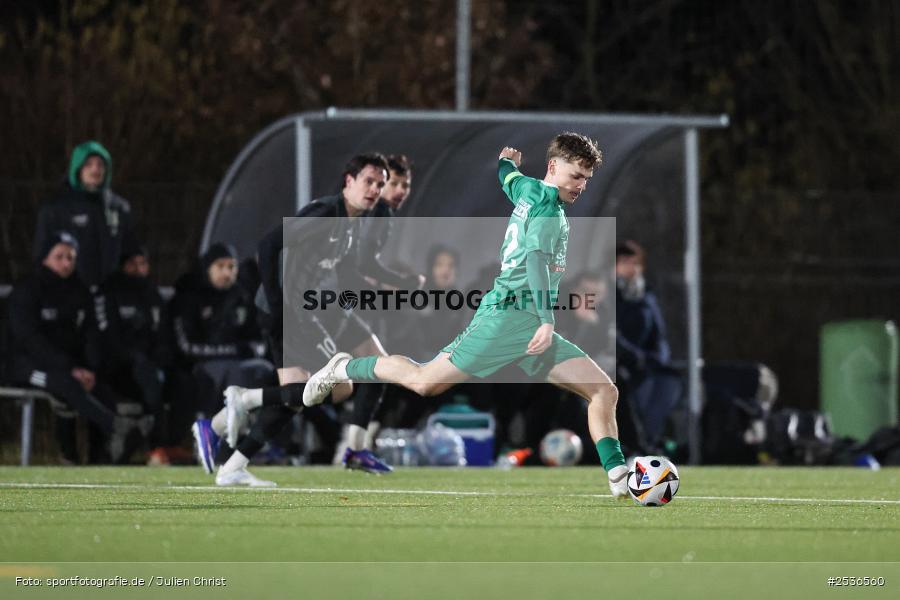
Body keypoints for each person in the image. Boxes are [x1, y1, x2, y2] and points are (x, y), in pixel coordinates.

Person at [303, 133, 630, 497]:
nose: (581, 185)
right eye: (576, 175)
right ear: (553, 167)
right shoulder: (548, 210)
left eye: (586, 178)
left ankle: (620, 479)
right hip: (506, 320)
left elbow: (508, 178)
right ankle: (343, 367)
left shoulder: (527, 189)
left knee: (603, 390)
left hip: (525, 324)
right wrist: (547, 319)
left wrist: (506, 163)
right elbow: (536, 263)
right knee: (424, 382)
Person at [202, 154, 407, 486]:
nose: (375, 189)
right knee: (338, 386)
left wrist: (386, 288)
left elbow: (346, 272)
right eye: (369, 181)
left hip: (299, 311)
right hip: (288, 312)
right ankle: (243, 401)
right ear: (349, 181)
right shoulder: (326, 213)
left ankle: (231, 458)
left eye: (380, 184)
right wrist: (276, 303)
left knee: (298, 396)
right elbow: (268, 244)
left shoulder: (351, 223)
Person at [8, 231, 149, 462]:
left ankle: (101, 459)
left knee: (100, 390)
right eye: (59, 256)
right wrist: (69, 367)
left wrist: (88, 367)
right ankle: (112, 430)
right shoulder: (27, 290)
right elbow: (29, 340)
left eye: (71, 257)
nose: (66, 263)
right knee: (65, 385)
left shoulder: (80, 291)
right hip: (27, 367)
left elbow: (89, 336)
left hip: (70, 367)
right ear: (45, 258)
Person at [168, 243, 273, 461]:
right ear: (207, 267)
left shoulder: (242, 296)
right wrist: (234, 351)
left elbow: (259, 341)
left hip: (238, 365)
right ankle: (219, 439)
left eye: (231, 267)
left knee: (267, 371)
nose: (227, 273)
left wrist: (246, 350)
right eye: (220, 266)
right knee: (232, 374)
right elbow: (186, 347)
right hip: (197, 367)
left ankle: (266, 441)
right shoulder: (189, 297)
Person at [94, 244, 171, 461]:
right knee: (148, 375)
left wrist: (160, 357)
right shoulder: (108, 292)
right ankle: (156, 446)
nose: (138, 269)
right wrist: (137, 358)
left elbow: (164, 336)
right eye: (132, 264)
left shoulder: (152, 294)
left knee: (183, 382)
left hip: (148, 367)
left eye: (142, 263)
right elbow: (108, 338)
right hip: (117, 369)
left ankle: (173, 444)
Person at [33, 141, 139, 290]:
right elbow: (41, 255)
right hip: (69, 293)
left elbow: (132, 251)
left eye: (100, 164)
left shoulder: (119, 207)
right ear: (77, 169)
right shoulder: (55, 209)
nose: (95, 169)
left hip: (111, 294)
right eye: (88, 164)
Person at [614, 240, 682, 448]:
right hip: (622, 363)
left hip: (647, 364)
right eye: (624, 262)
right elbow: (611, 334)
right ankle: (635, 445)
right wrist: (636, 357)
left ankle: (651, 442)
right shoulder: (607, 293)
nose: (631, 267)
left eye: (635, 263)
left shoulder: (647, 296)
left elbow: (658, 334)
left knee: (669, 383)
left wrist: (659, 357)